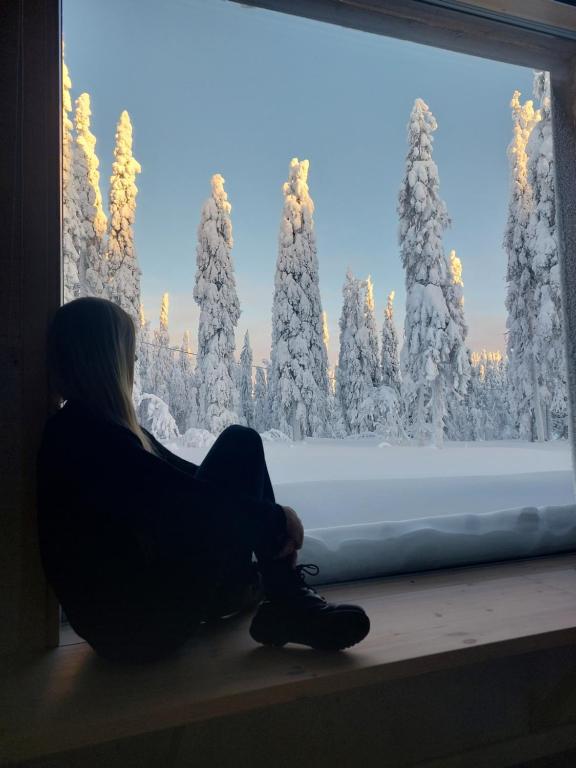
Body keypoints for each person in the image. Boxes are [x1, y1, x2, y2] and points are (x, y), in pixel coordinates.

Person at [36, 297, 370, 663]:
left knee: (233, 473)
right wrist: (274, 520)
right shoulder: (83, 437)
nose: (132, 363)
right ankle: (284, 598)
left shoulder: (90, 431)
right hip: (140, 627)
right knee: (242, 443)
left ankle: (265, 593)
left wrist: (263, 516)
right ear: (104, 359)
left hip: (131, 623)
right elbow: (182, 502)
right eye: (127, 352)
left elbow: (188, 482)